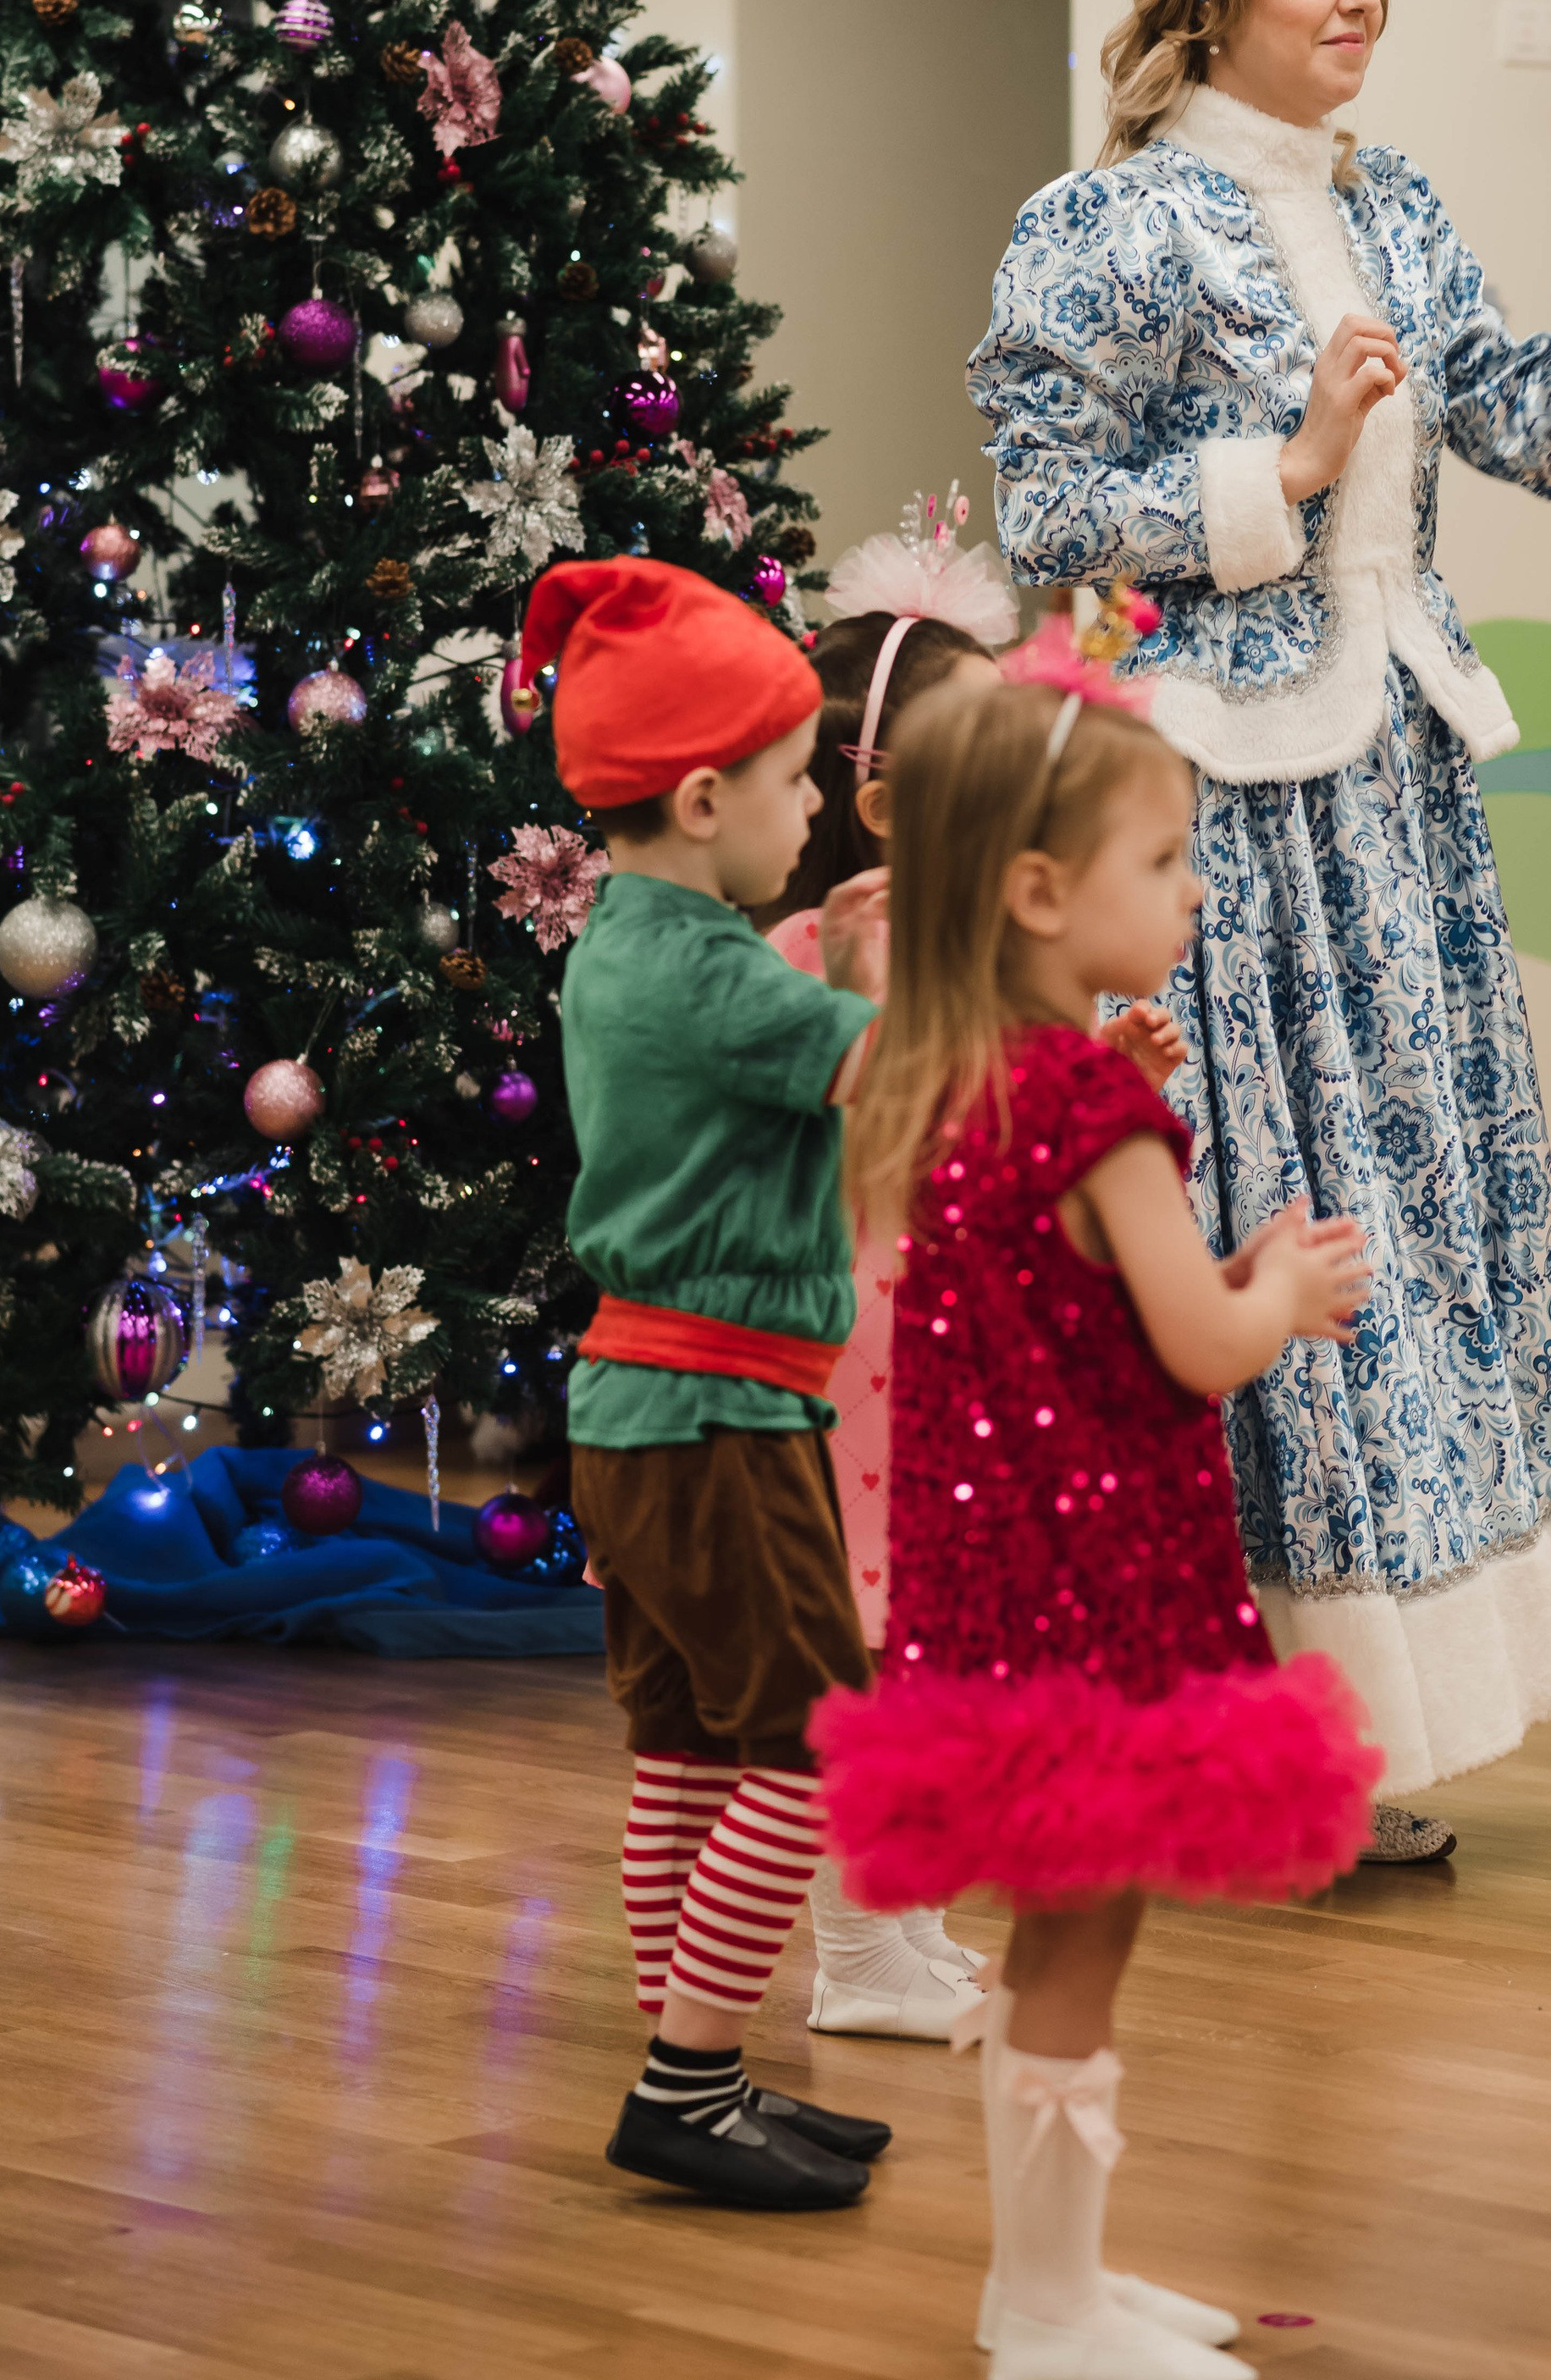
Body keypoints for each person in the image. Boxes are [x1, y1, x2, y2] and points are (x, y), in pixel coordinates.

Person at [968, 0, 1551, 1843]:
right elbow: (1044, 508)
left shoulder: (1397, 205)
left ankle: (1364, 1719)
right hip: (1214, 808)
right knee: (1257, 1214)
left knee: (1411, 1224)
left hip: (1397, 789)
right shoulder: (1099, 223)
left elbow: (1538, 433)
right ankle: (1223, 1714)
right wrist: (1279, 469)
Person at [816, 674, 1382, 2380]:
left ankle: (1048, 2279)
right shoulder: (1091, 1105)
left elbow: (1085, 1316)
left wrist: (1221, 1282)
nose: (1194, 886)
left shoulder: (952, 1081)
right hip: (1098, 1581)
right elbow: (1201, 1349)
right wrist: (1277, 1293)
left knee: (1055, 1933)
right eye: (1164, 856)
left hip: (1000, 1571)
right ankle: (1048, 2311)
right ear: (1039, 892)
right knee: (1080, 1936)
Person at [530, 553, 893, 2212]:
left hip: (642, 1410)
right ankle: (687, 2086)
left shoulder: (627, 945)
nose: (812, 809)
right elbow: (897, 1081)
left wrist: (850, 983)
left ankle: (699, 2071)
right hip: (718, 1415)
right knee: (812, 1739)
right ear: (699, 800)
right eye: (797, 778)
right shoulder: (713, 970)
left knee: (685, 1746)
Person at [766, 487, 1014, 2037]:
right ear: (880, 803)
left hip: (956, 1332)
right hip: (871, 1342)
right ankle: (856, 1946)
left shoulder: (968, 935)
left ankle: (907, 1910)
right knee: (876, 1646)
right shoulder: (823, 949)